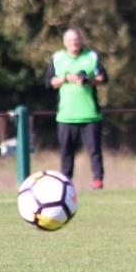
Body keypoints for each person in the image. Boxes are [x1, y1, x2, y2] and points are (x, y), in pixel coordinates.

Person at [44, 27, 108, 189]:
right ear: (65, 43)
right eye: (71, 40)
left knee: (94, 151)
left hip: (90, 115)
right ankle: (65, 182)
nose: (74, 43)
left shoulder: (91, 56)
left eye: (77, 40)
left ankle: (97, 180)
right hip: (66, 115)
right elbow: (49, 82)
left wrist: (88, 80)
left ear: (81, 41)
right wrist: (67, 78)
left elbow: (103, 77)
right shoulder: (57, 58)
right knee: (66, 151)